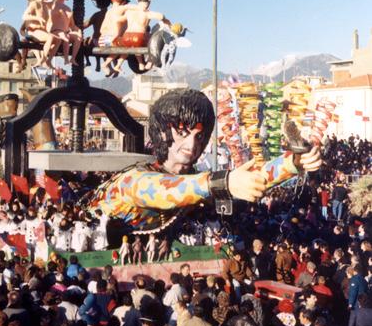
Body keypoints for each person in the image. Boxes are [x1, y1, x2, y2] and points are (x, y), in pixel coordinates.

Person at [86, 89, 322, 237]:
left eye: (199, 136)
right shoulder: (133, 181)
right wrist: (225, 183)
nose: (191, 145)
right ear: (160, 132)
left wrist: (294, 162)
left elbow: (249, 179)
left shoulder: (196, 179)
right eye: (182, 133)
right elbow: (168, 190)